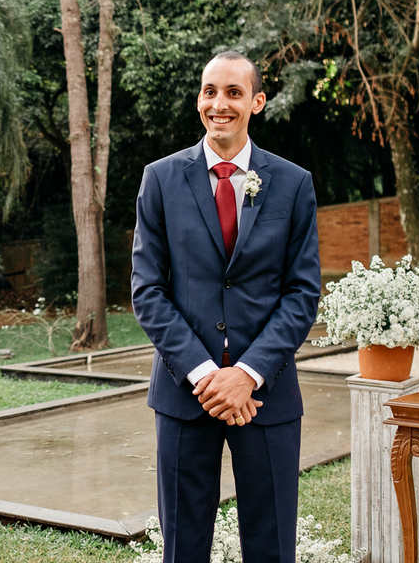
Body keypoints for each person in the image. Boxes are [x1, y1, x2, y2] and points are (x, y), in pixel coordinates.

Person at [131, 52, 321, 563]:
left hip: (267, 396)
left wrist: (248, 374)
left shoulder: (293, 182)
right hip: (183, 396)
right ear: (199, 100)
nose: (220, 104)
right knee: (184, 548)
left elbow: (302, 294)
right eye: (210, 91)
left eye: (234, 92)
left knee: (272, 547)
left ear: (256, 102)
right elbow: (147, 290)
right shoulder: (161, 179)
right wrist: (205, 374)